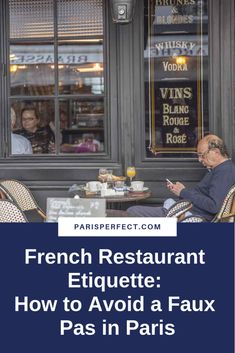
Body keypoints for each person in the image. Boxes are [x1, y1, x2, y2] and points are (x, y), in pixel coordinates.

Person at [127, 135, 235, 221]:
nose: (199, 159)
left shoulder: (224, 171)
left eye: (202, 155)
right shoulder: (221, 169)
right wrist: (182, 191)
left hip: (187, 216)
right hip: (184, 212)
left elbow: (213, 206)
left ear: (216, 152)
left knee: (132, 211)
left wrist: (183, 192)